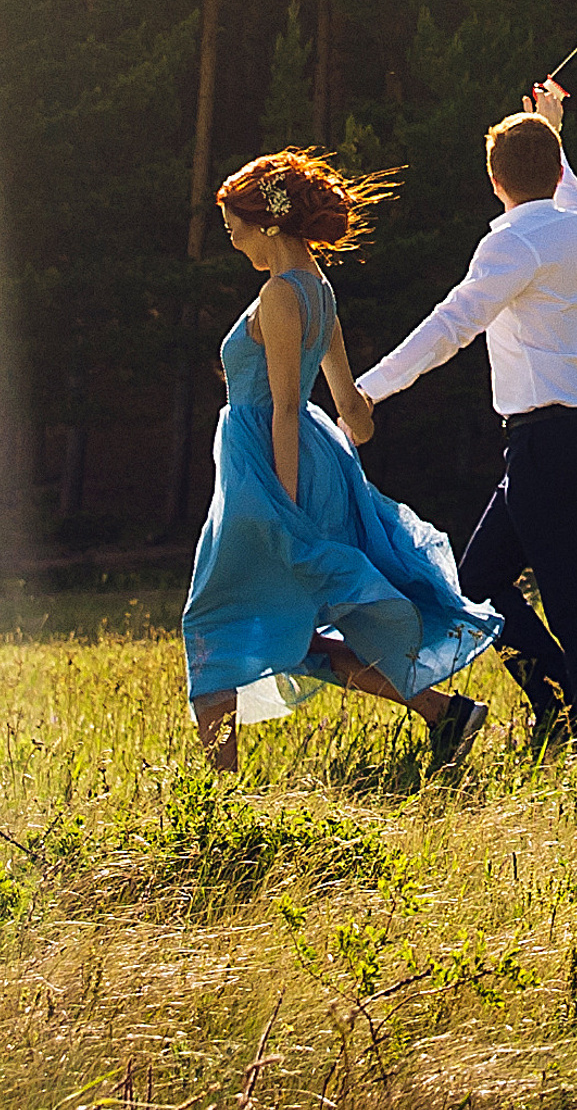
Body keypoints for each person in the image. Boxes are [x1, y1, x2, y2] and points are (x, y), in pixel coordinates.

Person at [181, 148, 500, 774]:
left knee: (214, 619)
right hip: (306, 458)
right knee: (292, 629)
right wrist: (356, 425)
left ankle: (218, 797)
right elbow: (351, 406)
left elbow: (283, 408)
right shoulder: (318, 290)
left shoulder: (280, 294)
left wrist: (286, 508)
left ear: (267, 223)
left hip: (270, 470)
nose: (233, 240)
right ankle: (445, 714)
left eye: (234, 227)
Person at [355, 79, 577, 746]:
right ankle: (565, 705)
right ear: (556, 170)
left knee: (568, 597)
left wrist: (368, 389)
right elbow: (566, 193)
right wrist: (552, 129)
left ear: (493, 180)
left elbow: (450, 325)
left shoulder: (512, 244)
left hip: (544, 440)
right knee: (478, 582)